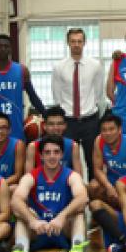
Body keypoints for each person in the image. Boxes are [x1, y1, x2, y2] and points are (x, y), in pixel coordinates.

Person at [9, 135, 90, 252]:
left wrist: (61, 217)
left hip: (62, 228)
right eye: (47, 152)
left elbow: (83, 198)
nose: (52, 156)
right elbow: (15, 200)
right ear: (40, 155)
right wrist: (33, 221)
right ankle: (22, 250)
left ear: (62, 154)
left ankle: (77, 248)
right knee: (23, 213)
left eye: (56, 152)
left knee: (79, 212)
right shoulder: (31, 176)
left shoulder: (71, 175)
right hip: (39, 228)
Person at [52, 27, 105, 180]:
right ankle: (70, 194)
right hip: (68, 122)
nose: (76, 44)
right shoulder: (59, 67)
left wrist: (96, 116)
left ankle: (95, 196)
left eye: (79, 41)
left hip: (90, 120)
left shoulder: (95, 65)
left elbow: (99, 94)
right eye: (73, 41)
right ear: (68, 43)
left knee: (92, 161)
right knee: (67, 161)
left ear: (84, 43)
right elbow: (57, 97)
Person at [0, 34, 45, 141]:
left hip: (15, 127)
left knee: (17, 157)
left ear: (11, 49)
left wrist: (46, 114)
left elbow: (33, 96)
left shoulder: (22, 70)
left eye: (6, 46)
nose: (3, 49)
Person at [88, 113, 126, 209]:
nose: (108, 133)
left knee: (124, 203)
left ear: (119, 130)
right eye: (104, 130)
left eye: (111, 129)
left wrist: (122, 187)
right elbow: (97, 170)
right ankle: (99, 216)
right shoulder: (99, 140)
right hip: (112, 181)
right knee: (93, 186)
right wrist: (109, 186)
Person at [25, 106, 81, 177]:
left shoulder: (73, 146)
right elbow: (27, 177)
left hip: (65, 186)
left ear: (65, 126)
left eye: (59, 124)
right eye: (51, 124)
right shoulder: (33, 146)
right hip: (40, 186)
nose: (55, 128)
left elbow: (79, 177)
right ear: (44, 126)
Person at [0, 112, 25, 190]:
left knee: (15, 188)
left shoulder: (18, 145)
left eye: (4, 128)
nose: (0, 131)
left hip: (8, 186)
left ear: (9, 130)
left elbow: (18, 175)